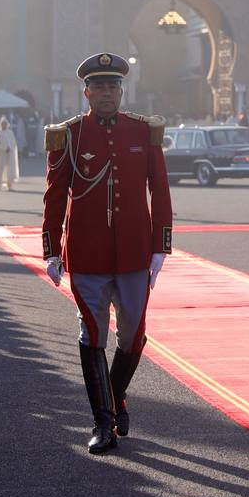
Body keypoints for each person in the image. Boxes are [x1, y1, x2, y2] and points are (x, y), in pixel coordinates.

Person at [41, 53, 172, 455]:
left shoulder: (142, 132)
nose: (106, 93)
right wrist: (51, 248)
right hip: (87, 251)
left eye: (113, 86)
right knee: (93, 333)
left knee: (133, 335)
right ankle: (103, 422)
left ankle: (115, 401)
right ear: (87, 92)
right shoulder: (70, 135)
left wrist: (160, 247)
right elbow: (55, 194)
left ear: (121, 90)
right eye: (98, 87)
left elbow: (161, 191)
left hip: (134, 252)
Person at [0, 116, 20, 192]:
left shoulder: (10, 132)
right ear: (0, 124)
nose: (4, 125)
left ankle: (9, 185)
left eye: (5, 123)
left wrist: (11, 149)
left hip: (10, 154)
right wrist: (4, 149)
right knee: (0, 169)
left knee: (10, 169)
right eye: (2, 123)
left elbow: (13, 142)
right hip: (1, 154)